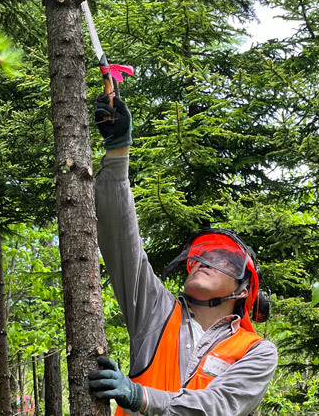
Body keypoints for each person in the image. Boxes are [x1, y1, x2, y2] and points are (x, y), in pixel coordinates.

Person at [88, 95, 278, 415]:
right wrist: (118, 151)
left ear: (243, 289)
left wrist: (141, 397)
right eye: (201, 256)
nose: (205, 262)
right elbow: (121, 241)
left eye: (223, 260)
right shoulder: (157, 312)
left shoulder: (256, 352)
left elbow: (219, 406)